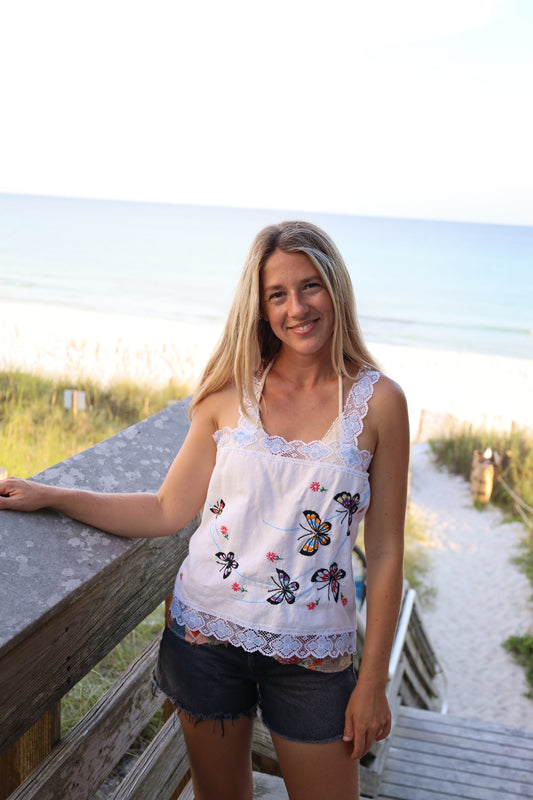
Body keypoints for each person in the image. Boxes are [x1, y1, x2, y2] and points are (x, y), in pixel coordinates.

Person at [0, 221, 410, 800]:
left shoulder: (380, 404)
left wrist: (373, 680)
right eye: (277, 294)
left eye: (310, 286)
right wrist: (55, 495)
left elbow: (389, 551)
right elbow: (168, 509)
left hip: (315, 657)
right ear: (260, 307)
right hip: (205, 640)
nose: (297, 307)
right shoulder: (228, 394)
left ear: (336, 288)